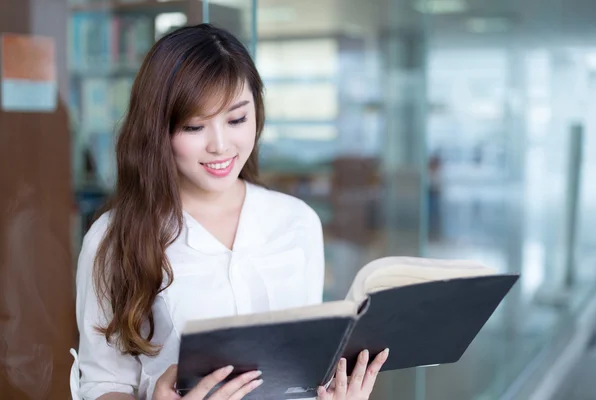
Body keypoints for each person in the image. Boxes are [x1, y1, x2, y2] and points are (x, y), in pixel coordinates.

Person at [70, 24, 388, 400]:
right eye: (194, 126)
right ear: (158, 130)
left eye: (237, 119)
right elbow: (102, 382)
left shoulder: (297, 221)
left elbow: (303, 370)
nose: (220, 145)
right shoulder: (114, 239)